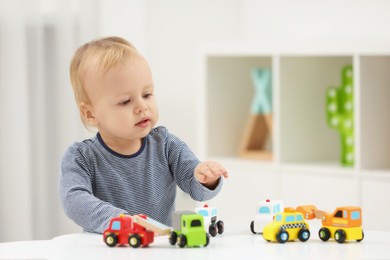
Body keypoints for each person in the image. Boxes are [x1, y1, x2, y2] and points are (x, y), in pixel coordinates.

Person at [59, 36, 229, 234]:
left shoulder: (166, 145)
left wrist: (205, 178)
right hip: (108, 249)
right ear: (90, 114)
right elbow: (74, 201)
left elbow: (196, 188)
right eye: (125, 101)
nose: (142, 106)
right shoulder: (81, 157)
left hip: (158, 248)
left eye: (147, 94)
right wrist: (123, 222)